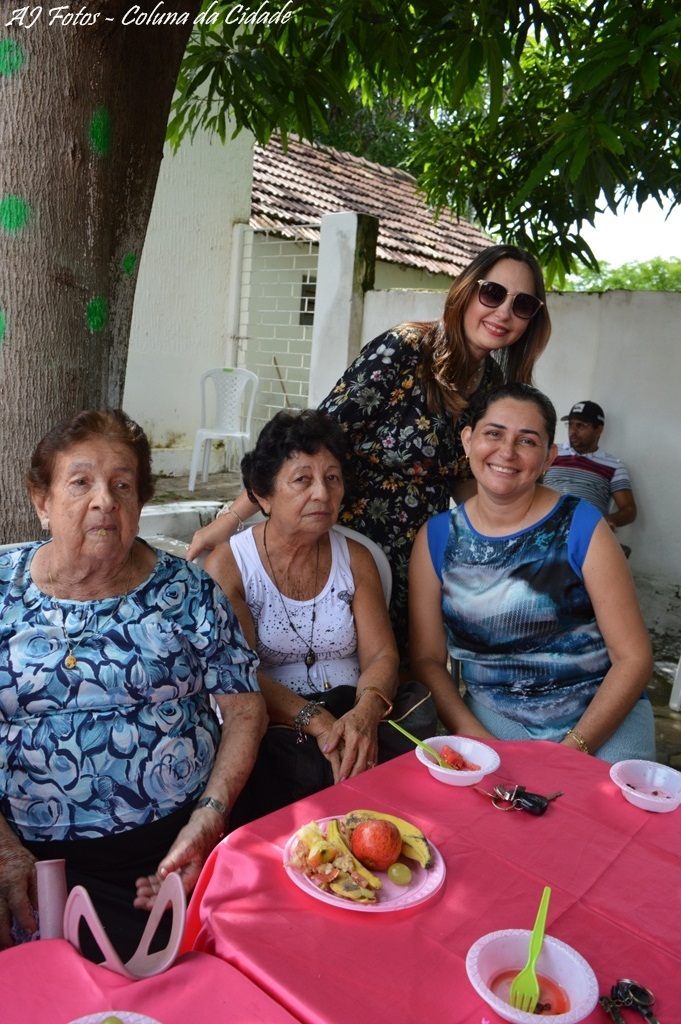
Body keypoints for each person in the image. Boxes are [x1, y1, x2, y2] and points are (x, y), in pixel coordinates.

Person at [189, 244, 552, 661]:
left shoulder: (492, 384)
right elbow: (309, 442)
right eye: (492, 293)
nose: (504, 312)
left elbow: (462, 478)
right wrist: (234, 517)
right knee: (326, 659)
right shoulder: (405, 349)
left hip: (421, 551)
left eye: (522, 304)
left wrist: (517, 532)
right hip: (347, 541)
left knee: (398, 670)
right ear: (466, 292)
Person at [0, 409, 266, 959]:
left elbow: (245, 711)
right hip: (24, 858)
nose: (105, 500)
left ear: (140, 502)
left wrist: (209, 819)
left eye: (122, 484)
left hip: (168, 854)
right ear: (42, 501)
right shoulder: (2, 588)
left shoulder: (188, 590)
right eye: (80, 483)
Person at [409, 383, 655, 763]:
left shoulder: (582, 525)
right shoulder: (438, 537)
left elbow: (634, 658)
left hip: (603, 718)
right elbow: (426, 659)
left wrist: (573, 752)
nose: (506, 452)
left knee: (609, 818)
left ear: (548, 457)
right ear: (468, 440)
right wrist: (474, 737)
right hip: (496, 720)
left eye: (527, 441)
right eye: (493, 434)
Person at [203, 409, 400, 826]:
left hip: (354, 714)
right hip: (274, 728)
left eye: (332, 478)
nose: (323, 495)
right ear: (263, 493)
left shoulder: (356, 558)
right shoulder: (232, 565)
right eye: (302, 480)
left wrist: (362, 716)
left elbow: (382, 655)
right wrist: (318, 722)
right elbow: (239, 674)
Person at [543, 400, 637, 538]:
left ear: (599, 429)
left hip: (586, 532)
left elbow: (629, 510)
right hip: (544, 523)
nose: (573, 432)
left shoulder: (614, 465)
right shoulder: (553, 451)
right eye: (570, 425)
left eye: (580, 426)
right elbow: (530, 481)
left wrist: (608, 521)